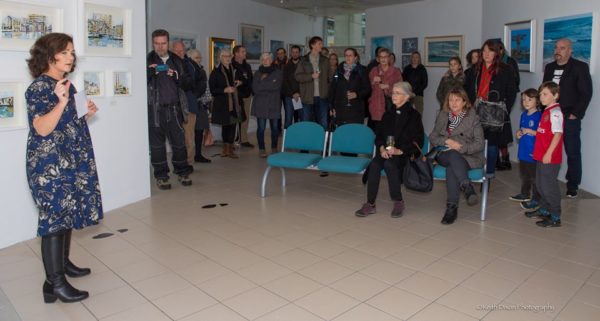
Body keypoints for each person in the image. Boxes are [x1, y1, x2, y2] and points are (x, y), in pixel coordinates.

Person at [25, 33, 102, 303]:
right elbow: (42, 127)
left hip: (71, 159)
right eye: (65, 52)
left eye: (72, 52)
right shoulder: (39, 88)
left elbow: (73, 119)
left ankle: (63, 266)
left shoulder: (67, 84)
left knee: (66, 212)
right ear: (50, 56)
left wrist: (86, 111)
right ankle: (55, 282)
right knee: (54, 218)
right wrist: (60, 103)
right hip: (50, 164)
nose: (71, 57)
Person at [355, 82, 424, 218]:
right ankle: (370, 204)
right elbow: (379, 135)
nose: (393, 95)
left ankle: (398, 201)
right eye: (393, 92)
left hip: (404, 154)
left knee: (389, 164)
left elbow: (418, 141)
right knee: (374, 165)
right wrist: (381, 148)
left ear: (406, 96)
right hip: (386, 151)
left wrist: (399, 151)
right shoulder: (388, 113)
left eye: (397, 93)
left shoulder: (414, 115)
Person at [542, 38, 593, 198]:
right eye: (556, 48)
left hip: (569, 116)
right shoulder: (549, 67)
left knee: (572, 151)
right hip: (550, 115)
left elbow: (586, 93)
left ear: (570, 50)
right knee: (547, 148)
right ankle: (546, 180)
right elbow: (544, 90)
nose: (558, 51)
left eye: (562, 48)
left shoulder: (580, 67)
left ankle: (572, 185)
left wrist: (575, 114)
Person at [429, 87, 484, 225]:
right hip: (444, 153)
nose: (453, 103)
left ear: (464, 102)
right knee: (452, 155)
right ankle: (467, 187)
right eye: (451, 99)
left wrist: (461, 147)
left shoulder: (473, 118)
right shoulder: (443, 115)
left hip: (467, 155)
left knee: (452, 168)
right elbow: (433, 136)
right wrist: (446, 141)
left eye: (457, 100)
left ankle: (451, 209)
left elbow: (479, 144)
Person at [147, 29, 193, 189]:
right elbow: (137, 84)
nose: (160, 47)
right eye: (157, 43)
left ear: (168, 43)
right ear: (153, 43)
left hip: (175, 109)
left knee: (179, 144)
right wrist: (149, 73)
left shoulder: (178, 61)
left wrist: (177, 77)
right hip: (155, 110)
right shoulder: (146, 60)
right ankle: (161, 176)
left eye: (163, 43)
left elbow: (188, 84)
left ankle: (182, 172)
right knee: (157, 147)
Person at [464, 39, 517, 176]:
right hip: (475, 112)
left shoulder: (506, 70)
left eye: (490, 50)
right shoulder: (473, 70)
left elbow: (511, 93)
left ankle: (489, 173)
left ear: (497, 53)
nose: (487, 54)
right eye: (484, 50)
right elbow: (465, 89)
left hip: (495, 113)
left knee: (492, 145)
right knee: (475, 142)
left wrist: (505, 111)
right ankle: (475, 170)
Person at [524, 82, 564, 228]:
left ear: (556, 96)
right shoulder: (547, 111)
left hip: (550, 158)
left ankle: (555, 216)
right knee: (540, 185)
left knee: (548, 186)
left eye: (545, 94)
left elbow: (558, 134)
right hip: (541, 155)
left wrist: (548, 153)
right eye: (540, 94)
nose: (541, 96)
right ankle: (545, 210)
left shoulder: (555, 113)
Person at [172, 41, 205, 166]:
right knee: (177, 138)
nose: (180, 53)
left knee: (188, 138)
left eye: (182, 50)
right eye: (177, 50)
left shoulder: (190, 65)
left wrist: (193, 95)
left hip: (189, 107)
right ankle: (179, 163)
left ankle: (188, 164)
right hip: (173, 107)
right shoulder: (168, 64)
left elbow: (201, 82)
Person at [209, 49, 243, 158]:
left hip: (235, 103)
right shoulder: (215, 72)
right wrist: (224, 90)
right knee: (226, 126)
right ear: (220, 58)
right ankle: (226, 150)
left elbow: (243, 80)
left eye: (229, 55)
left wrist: (240, 82)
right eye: (225, 56)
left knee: (233, 125)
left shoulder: (235, 69)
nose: (228, 58)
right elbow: (212, 90)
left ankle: (230, 149)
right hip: (223, 104)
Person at [510, 89, 541, 203]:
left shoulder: (539, 116)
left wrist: (531, 131)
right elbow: (521, 129)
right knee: (524, 175)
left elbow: (542, 134)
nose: (526, 102)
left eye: (529, 99)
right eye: (523, 100)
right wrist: (518, 133)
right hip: (523, 151)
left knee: (534, 177)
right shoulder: (523, 115)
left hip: (533, 152)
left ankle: (536, 198)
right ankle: (525, 194)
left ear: (537, 101)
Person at [295, 36, 333, 129]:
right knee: (306, 122)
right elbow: (297, 76)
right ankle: (307, 143)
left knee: (323, 123)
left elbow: (331, 77)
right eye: (319, 43)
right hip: (307, 97)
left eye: (321, 43)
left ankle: (323, 143)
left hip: (323, 97)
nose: (321, 45)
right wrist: (311, 76)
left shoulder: (325, 60)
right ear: (312, 45)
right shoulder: (303, 60)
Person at [252, 53, 283, 157]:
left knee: (274, 128)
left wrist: (262, 83)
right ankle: (262, 149)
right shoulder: (257, 73)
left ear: (271, 60)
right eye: (263, 59)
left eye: (267, 59)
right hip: (260, 104)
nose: (265, 61)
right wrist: (268, 84)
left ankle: (274, 148)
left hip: (274, 104)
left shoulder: (278, 72)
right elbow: (255, 88)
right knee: (261, 128)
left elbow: (276, 86)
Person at [329, 48, 371, 126]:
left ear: (355, 57)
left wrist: (357, 94)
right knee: (342, 134)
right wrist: (331, 107)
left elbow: (367, 89)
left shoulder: (362, 70)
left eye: (350, 55)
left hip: (356, 109)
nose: (348, 57)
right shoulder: (338, 70)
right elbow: (332, 90)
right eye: (346, 55)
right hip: (340, 109)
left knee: (354, 133)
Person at [496, 40, 521, 171]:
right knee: (495, 133)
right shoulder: (491, 63)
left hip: (505, 102)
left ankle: (505, 159)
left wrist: (506, 104)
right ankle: (496, 159)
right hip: (493, 104)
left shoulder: (510, 62)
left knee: (502, 131)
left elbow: (515, 82)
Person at [187, 48, 211, 163]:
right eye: (197, 57)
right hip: (191, 105)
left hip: (201, 104)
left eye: (200, 57)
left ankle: (198, 154)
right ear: (190, 59)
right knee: (189, 132)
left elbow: (205, 88)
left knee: (200, 130)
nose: (199, 59)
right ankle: (189, 157)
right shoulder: (187, 71)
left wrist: (207, 101)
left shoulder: (202, 71)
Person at [368, 48, 402, 129]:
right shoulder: (374, 70)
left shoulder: (396, 71)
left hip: (391, 106)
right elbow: (367, 89)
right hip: (376, 107)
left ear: (389, 58)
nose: (383, 59)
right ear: (378, 59)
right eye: (381, 57)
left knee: (390, 132)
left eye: (385, 57)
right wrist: (372, 82)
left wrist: (388, 86)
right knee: (376, 133)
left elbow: (401, 89)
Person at [232, 45, 254, 148]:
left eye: (245, 51)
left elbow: (250, 80)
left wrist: (244, 82)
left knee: (245, 119)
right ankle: (234, 139)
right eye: (243, 51)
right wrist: (240, 83)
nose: (245, 53)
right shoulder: (231, 65)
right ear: (236, 53)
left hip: (247, 95)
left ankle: (244, 139)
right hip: (237, 96)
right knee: (236, 118)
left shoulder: (247, 66)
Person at [282, 45, 302, 129]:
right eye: (293, 52)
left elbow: (305, 81)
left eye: (296, 52)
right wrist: (293, 94)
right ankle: (286, 140)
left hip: (301, 96)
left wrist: (299, 93)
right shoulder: (286, 66)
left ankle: (300, 138)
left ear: (299, 53)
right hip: (289, 96)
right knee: (288, 119)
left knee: (301, 119)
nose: (295, 54)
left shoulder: (304, 65)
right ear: (290, 53)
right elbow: (284, 82)